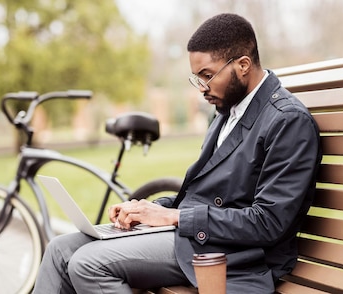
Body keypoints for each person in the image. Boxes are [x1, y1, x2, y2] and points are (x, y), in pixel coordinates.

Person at [32, 13, 322, 293]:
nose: (202, 89)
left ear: (244, 64)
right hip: (198, 237)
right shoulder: (226, 112)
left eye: (207, 76)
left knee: (87, 264)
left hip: (237, 256)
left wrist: (174, 218)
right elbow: (201, 196)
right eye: (196, 78)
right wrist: (146, 210)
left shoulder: (288, 121)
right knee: (60, 249)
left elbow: (268, 223)